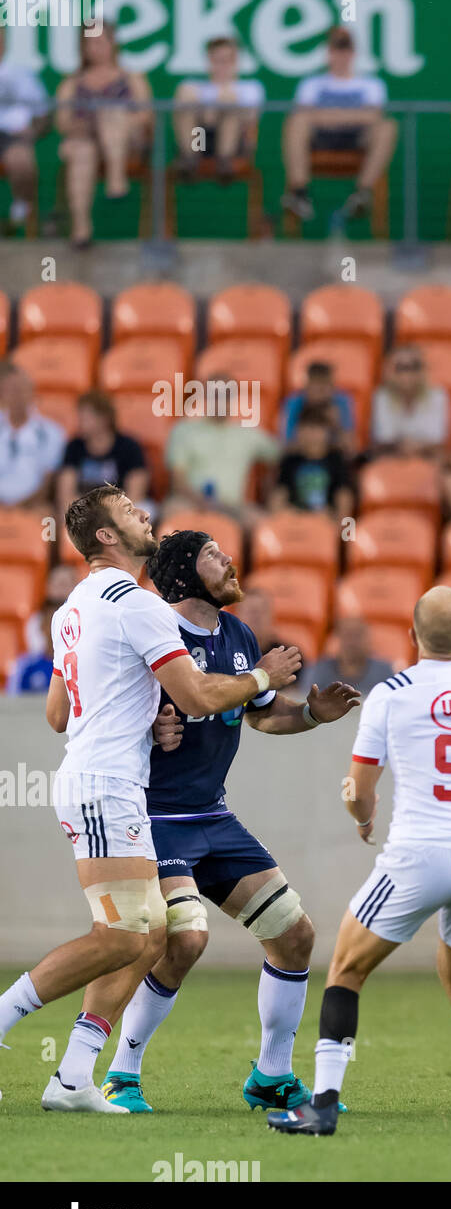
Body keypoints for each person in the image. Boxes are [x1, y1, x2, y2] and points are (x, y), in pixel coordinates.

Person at [0, 485, 300, 1113]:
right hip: (107, 784)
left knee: (147, 936)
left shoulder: (72, 609)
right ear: (106, 536)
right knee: (123, 937)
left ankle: (75, 1076)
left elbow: (59, 713)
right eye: (130, 512)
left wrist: (142, 718)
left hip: (105, 781)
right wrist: (263, 678)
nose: (143, 516)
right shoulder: (139, 605)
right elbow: (195, 699)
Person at [100, 531, 360, 1113]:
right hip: (154, 817)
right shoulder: (154, 631)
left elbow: (262, 717)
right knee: (186, 938)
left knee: (295, 936)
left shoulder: (238, 635)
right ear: (186, 575)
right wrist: (156, 731)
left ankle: (270, 1076)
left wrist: (313, 714)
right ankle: (123, 1073)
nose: (229, 561)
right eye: (214, 555)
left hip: (213, 816)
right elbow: (129, 711)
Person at [267, 585, 451, 1136]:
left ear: (412, 638)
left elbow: (359, 787)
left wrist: (360, 816)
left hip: (418, 856)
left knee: (346, 969)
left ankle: (322, 1104)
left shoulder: (390, 694)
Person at [281, 25, 397, 224]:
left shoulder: (371, 84)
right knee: (296, 122)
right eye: (336, 48)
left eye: (345, 47)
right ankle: (300, 193)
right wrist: (354, 114)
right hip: (320, 139)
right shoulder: (310, 84)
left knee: (387, 127)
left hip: (357, 139)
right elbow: (303, 115)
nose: (341, 54)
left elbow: (374, 117)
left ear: (353, 53)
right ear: (328, 52)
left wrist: (325, 115)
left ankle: (362, 193)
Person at [53, 23, 153, 247]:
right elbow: (62, 122)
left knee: (112, 114)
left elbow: (146, 115)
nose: (95, 48)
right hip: (85, 142)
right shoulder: (72, 82)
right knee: (82, 150)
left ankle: (116, 178)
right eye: (89, 43)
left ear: (113, 43)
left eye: (100, 42)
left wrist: (112, 118)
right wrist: (82, 126)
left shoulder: (132, 78)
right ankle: (81, 229)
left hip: (128, 143)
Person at [163, 379, 280, 524]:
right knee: (171, 511)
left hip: (234, 507)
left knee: (266, 526)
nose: (220, 403)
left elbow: (282, 455)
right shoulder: (184, 430)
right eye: (215, 396)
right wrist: (204, 503)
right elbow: (178, 481)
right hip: (190, 503)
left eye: (226, 397)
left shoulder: (248, 433)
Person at [171, 35, 265, 182]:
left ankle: (225, 161)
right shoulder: (192, 87)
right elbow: (184, 103)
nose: (223, 65)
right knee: (187, 110)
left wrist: (217, 108)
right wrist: (213, 111)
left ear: (236, 61)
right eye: (217, 60)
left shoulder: (250, 88)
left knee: (231, 113)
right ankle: (189, 159)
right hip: (199, 142)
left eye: (228, 60)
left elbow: (251, 118)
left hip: (235, 145)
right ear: (209, 61)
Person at [56, 390, 150, 516]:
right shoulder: (74, 446)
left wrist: (114, 515)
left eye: (86, 418)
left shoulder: (129, 446)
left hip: (121, 509)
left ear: (104, 419)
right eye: (80, 418)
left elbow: (136, 491)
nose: (80, 424)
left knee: (144, 510)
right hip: (85, 512)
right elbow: (66, 491)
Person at [0, 24, 52, 234]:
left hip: (13, 136)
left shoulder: (21, 74)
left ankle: (20, 211)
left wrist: (32, 132)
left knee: (22, 161)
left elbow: (43, 116)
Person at [270, 406, 356, 521]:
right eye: (306, 428)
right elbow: (279, 495)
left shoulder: (336, 460)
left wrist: (338, 522)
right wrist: (282, 514)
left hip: (325, 519)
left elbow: (344, 496)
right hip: (294, 519)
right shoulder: (290, 461)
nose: (311, 434)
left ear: (327, 432)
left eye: (316, 428)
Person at [0, 361, 66, 508]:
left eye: (20, 389)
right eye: (9, 390)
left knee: (46, 516)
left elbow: (47, 484)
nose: (15, 396)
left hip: (32, 506)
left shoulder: (51, 432)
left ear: (31, 393)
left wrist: (20, 507)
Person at [370, 347, 450, 460]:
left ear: (423, 370)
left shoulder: (438, 396)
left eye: (414, 367)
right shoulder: (381, 397)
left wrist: (414, 446)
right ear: (389, 371)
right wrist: (408, 445)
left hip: (427, 457)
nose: (407, 373)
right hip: (391, 456)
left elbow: (437, 438)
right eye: (400, 368)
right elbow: (383, 437)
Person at [305, 617, 394, 698]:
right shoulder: (318, 671)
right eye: (347, 635)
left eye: (357, 635)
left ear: (368, 639)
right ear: (337, 639)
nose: (352, 641)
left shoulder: (384, 672)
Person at [281, 360, 357, 452]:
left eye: (323, 387)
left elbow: (350, 450)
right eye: (315, 386)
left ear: (332, 387)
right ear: (306, 386)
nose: (319, 392)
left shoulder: (341, 402)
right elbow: (286, 446)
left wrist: (337, 426)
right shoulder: (294, 403)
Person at [7, 598, 56, 694]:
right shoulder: (25, 666)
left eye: (59, 622)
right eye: (50, 621)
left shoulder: (75, 665)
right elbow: (12, 701)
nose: (54, 627)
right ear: (41, 626)